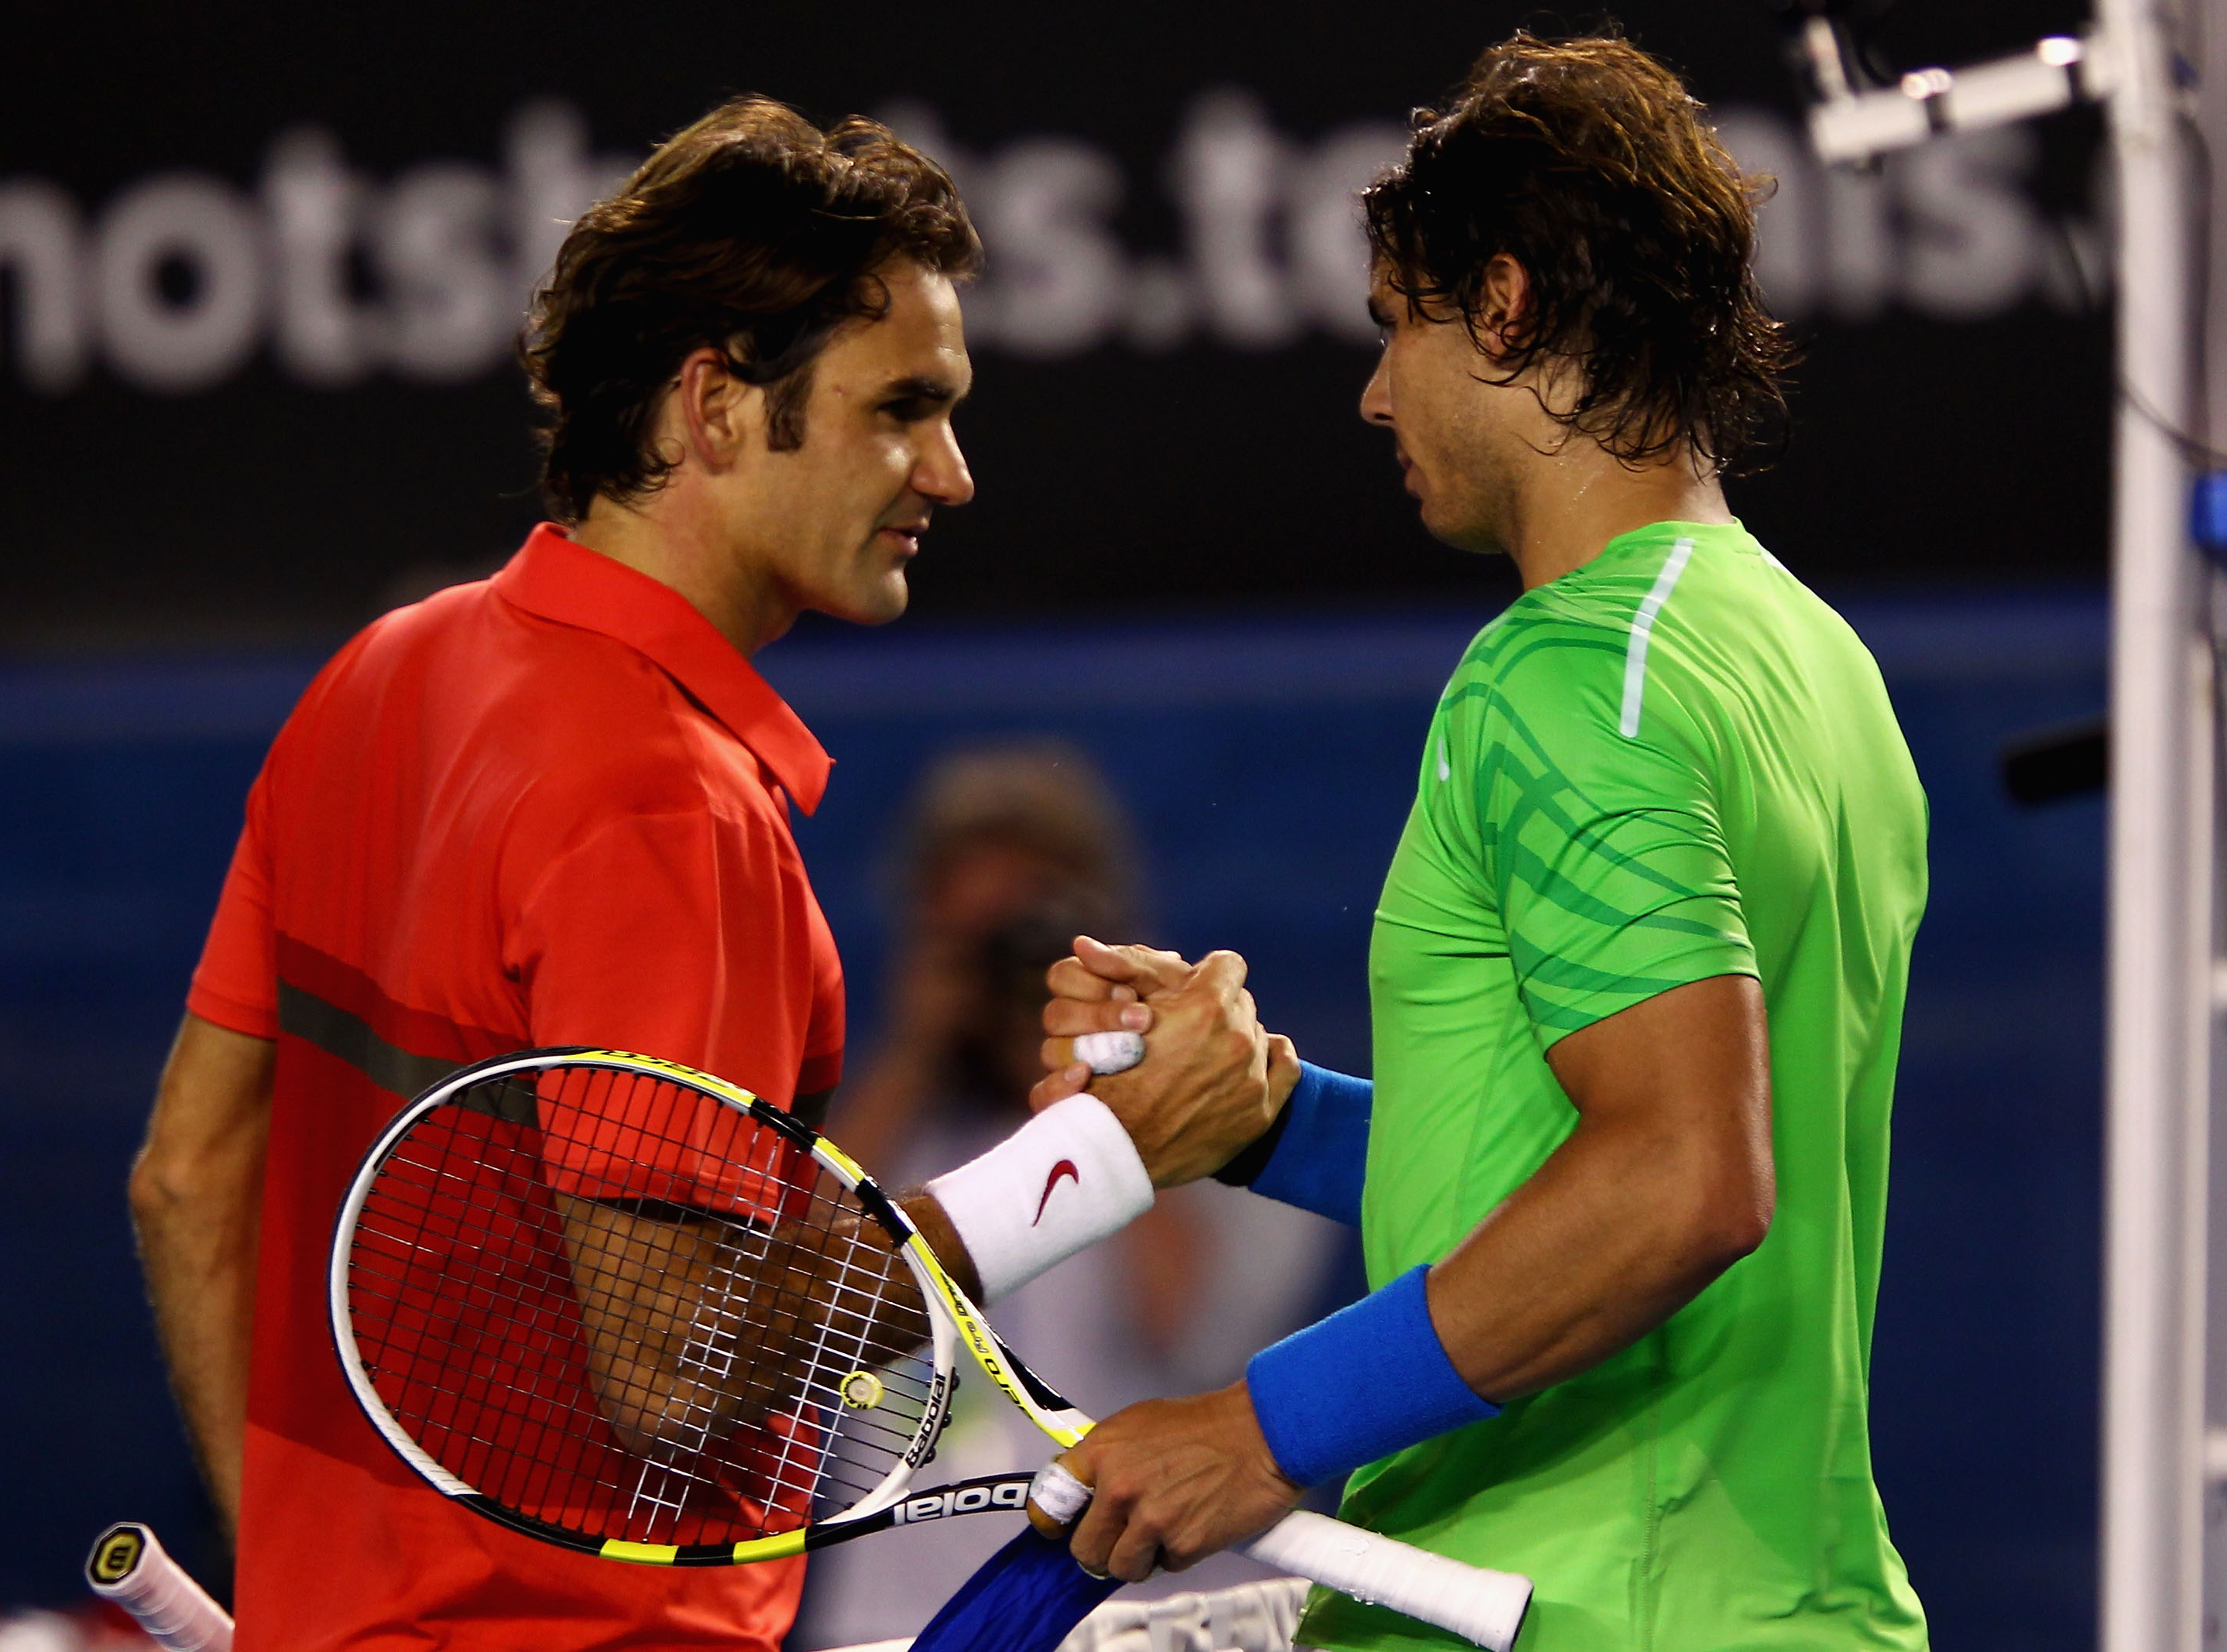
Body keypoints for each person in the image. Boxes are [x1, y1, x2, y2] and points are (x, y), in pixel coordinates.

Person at [1035, 33, 1931, 1650]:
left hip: (1585, 1609)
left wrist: (1261, 1422)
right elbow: (1585, 1159)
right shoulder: (1810, 657)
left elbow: (1680, 1179)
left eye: (1398, 325)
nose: (1377, 390)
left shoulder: (1567, 673)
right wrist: (1268, 1121)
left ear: (1504, 306)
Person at [127, 98, 993, 1651]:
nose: (952, 471)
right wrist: (1087, 1169)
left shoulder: (380, 675)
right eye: (902, 408)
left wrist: (310, 1595)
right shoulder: (669, 803)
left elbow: (187, 1179)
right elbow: (674, 1365)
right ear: (712, 408)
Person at [797, 743, 1342, 1647]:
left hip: (1164, 1616)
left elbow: (1191, 1321)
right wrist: (917, 1044)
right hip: (904, 1623)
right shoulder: (891, 1147)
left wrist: (1089, 1071)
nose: (1006, 969)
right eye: (976, 944)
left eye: (1031, 936)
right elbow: (780, 1308)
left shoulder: (1228, 1132)